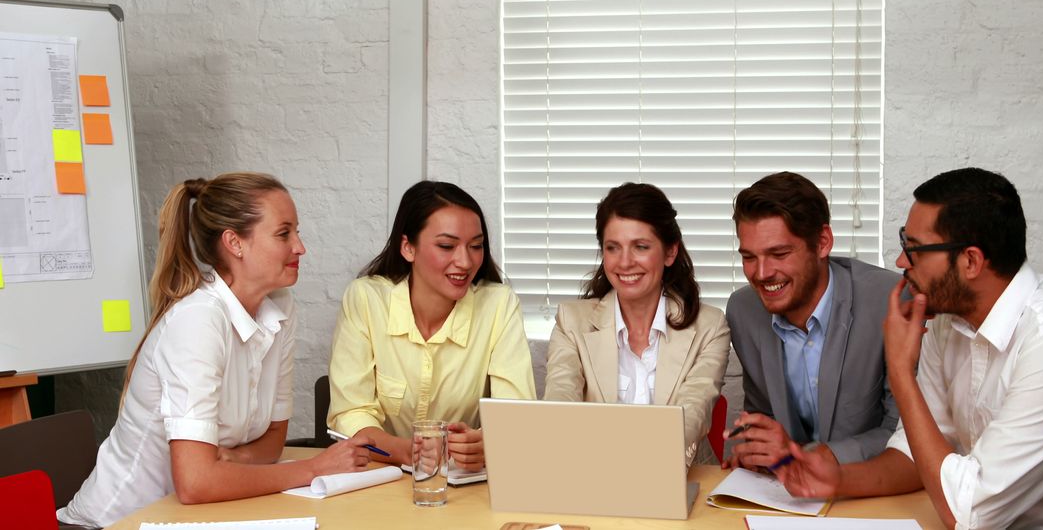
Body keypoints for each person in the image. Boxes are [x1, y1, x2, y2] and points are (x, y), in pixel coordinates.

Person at [57, 173, 372, 528]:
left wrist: (232, 460)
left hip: (201, 516)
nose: (300, 247)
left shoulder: (280, 306)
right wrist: (314, 468)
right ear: (234, 243)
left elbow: (273, 441)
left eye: (297, 232)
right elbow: (195, 483)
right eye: (284, 234)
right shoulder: (199, 318)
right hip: (117, 523)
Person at [776, 168, 1043, 529]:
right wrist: (838, 479)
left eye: (914, 249)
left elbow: (970, 515)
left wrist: (900, 370)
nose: (901, 262)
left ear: (970, 261)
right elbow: (917, 454)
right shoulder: (949, 321)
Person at [328, 180, 536, 471]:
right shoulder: (365, 299)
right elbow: (351, 413)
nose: (465, 261)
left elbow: (516, 418)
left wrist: (486, 443)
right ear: (408, 248)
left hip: (464, 484)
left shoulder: (498, 305)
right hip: (379, 477)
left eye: (476, 246)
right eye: (447, 246)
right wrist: (408, 452)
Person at [543, 182, 731, 465]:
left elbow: (692, 413)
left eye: (641, 247)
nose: (625, 262)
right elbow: (560, 404)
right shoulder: (571, 322)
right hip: (592, 473)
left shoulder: (710, 326)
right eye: (612, 248)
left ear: (670, 253)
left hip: (680, 476)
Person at [725, 172, 899, 471]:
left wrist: (807, 456)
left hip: (872, 491)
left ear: (822, 243)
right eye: (749, 257)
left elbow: (904, 432)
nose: (761, 273)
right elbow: (763, 416)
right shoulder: (744, 310)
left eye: (778, 253)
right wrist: (755, 450)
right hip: (785, 494)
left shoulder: (889, 300)